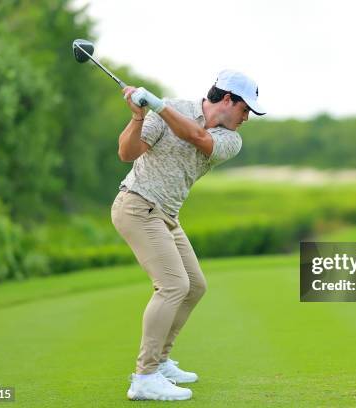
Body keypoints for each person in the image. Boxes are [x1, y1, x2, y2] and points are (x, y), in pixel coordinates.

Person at [111, 70, 266, 401]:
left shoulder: (230, 139)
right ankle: (144, 376)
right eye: (245, 110)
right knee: (173, 286)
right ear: (227, 100)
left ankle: (161, 361)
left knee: (195, 286)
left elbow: (198, 137)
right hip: (137, 205)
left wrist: (158, 106)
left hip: (166, 215)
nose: (246, 118)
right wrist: (139, 116)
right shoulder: (168, 108)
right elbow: (127, 153)